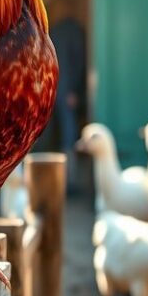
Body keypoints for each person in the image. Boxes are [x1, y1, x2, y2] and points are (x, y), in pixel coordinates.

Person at [49, 13, 86, 186]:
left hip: (51, 89)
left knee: (54, 135)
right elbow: (79, 62)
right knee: (68, 135)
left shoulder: (52, 30)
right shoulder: (72, 31)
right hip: (63, 90)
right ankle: (67, 181)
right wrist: (75, 90)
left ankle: (62, 180)